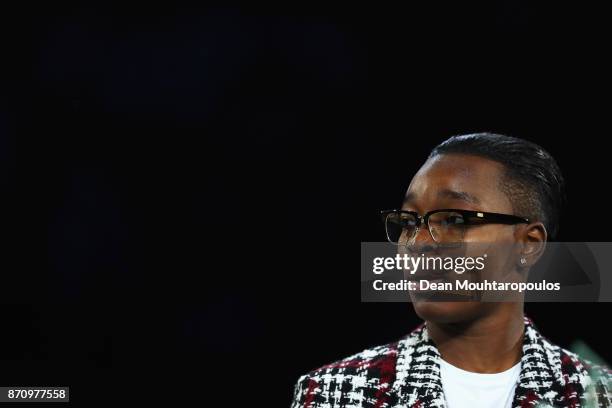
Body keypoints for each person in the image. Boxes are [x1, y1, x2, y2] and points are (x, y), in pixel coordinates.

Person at [290, 133, 611, 407]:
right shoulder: (333, 393)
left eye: (455, 220)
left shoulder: (598, 395)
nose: (418, 243)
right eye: (409, 221)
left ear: (528, 244)